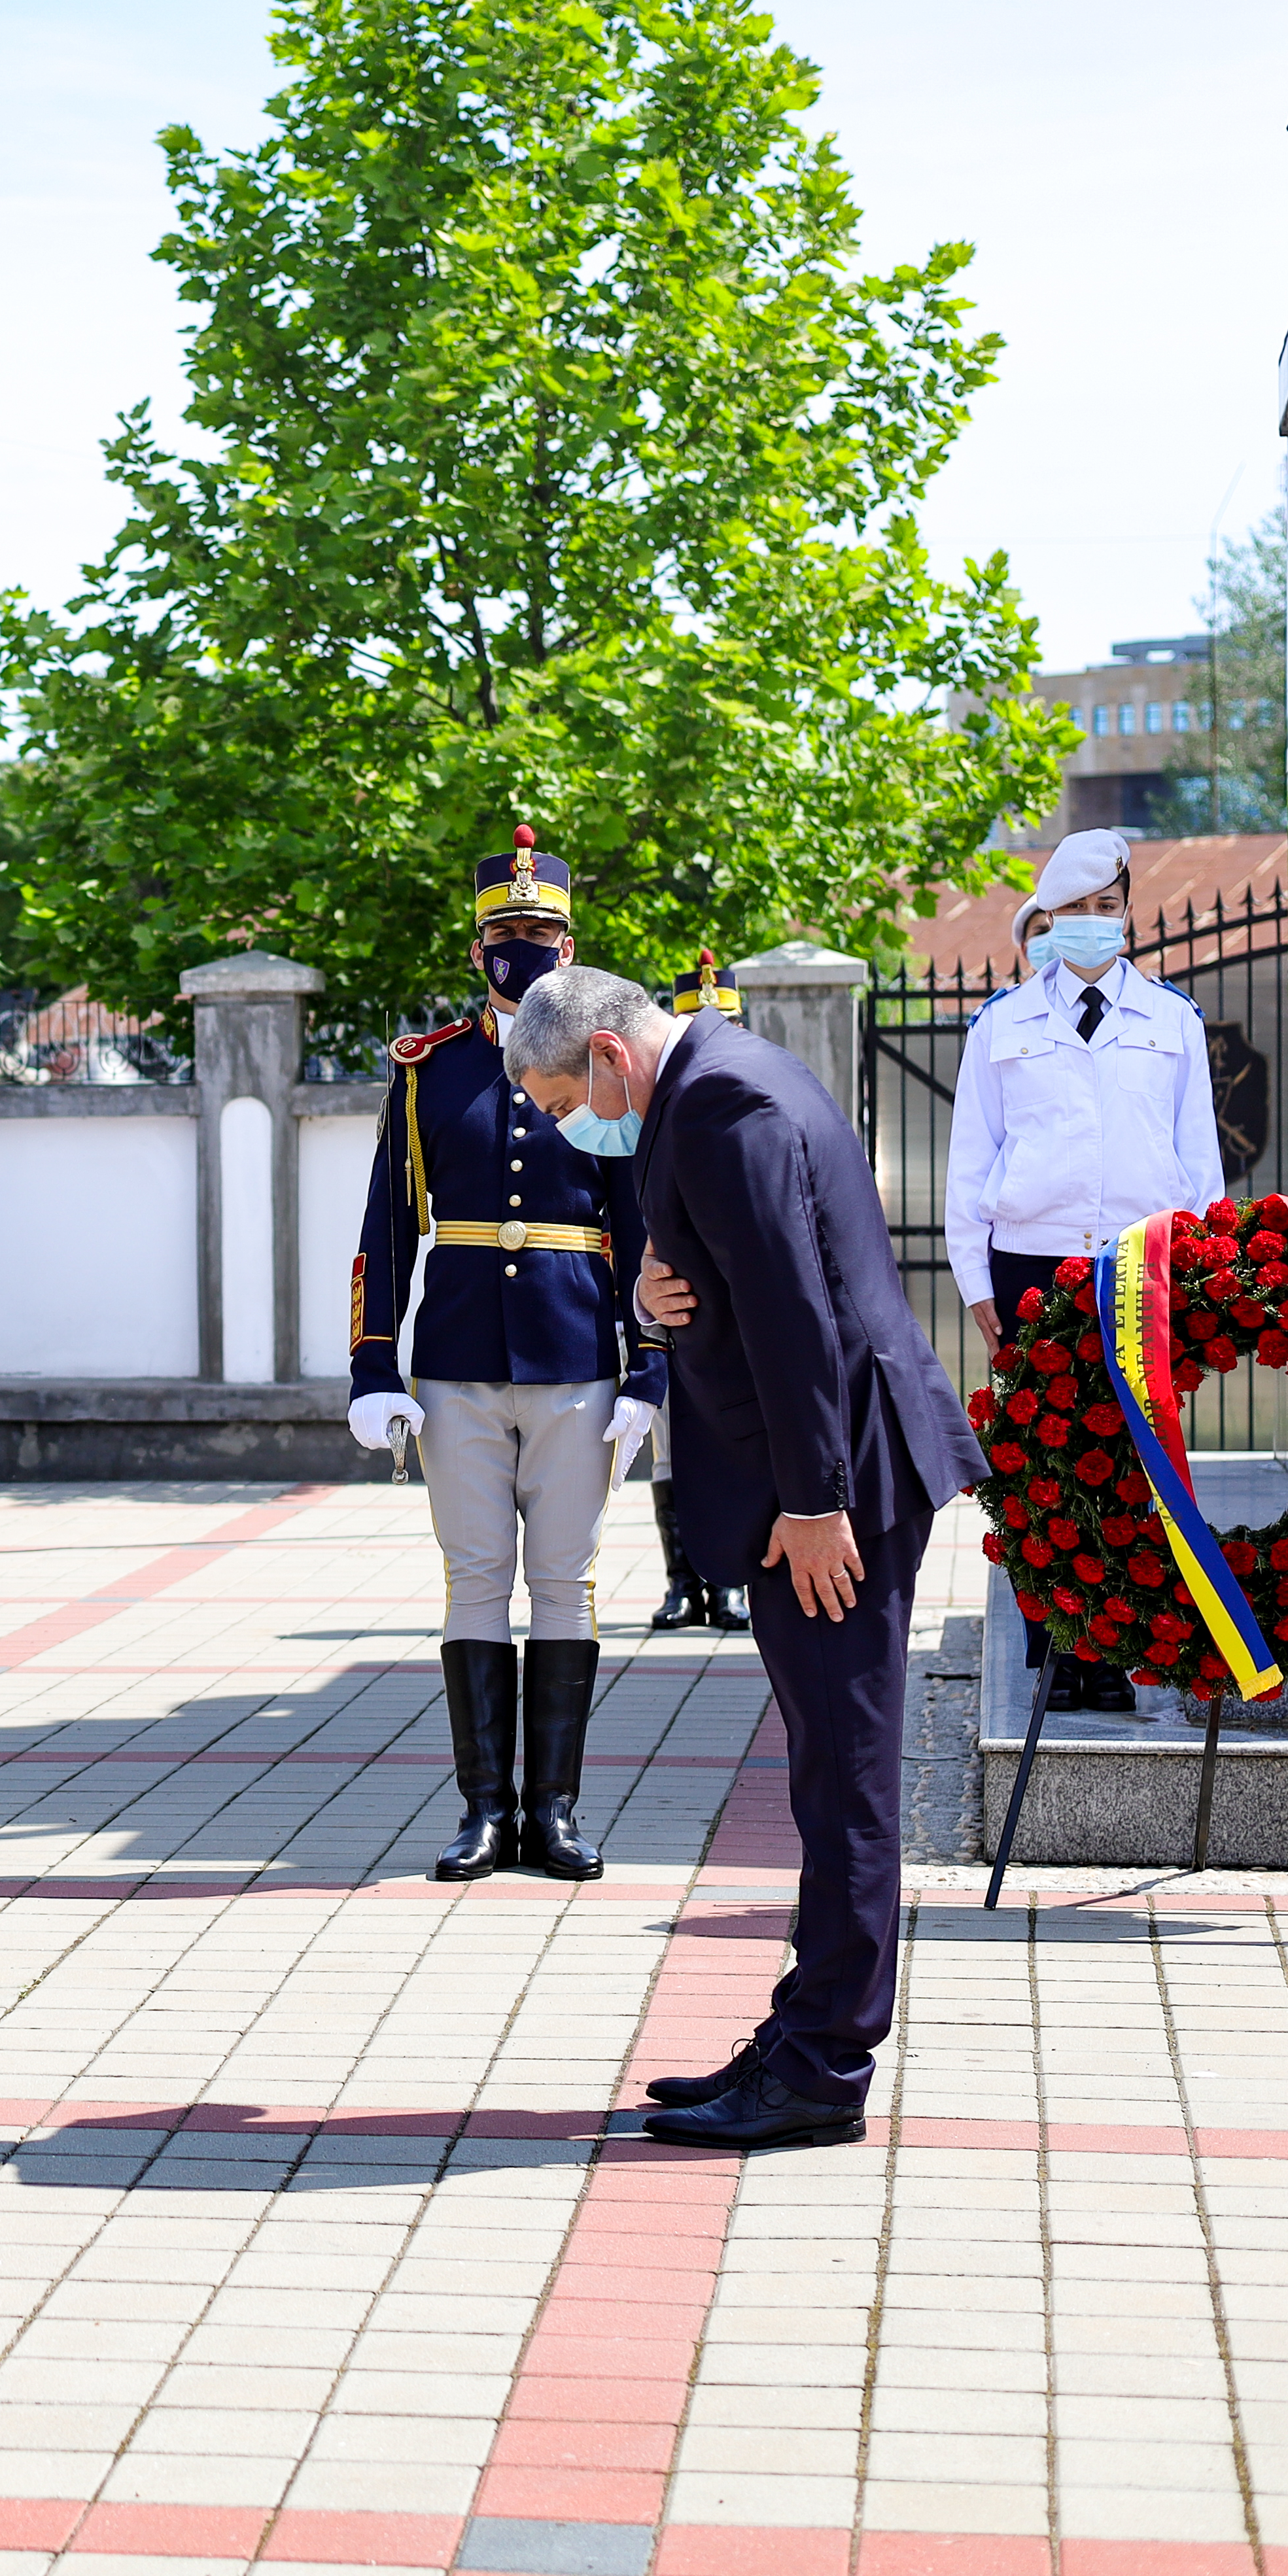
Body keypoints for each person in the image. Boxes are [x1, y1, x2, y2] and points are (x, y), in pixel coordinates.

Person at [510, 966, 985, 2150]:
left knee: (847, 1780)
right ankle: (805, 2023)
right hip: (821, 1481)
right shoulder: (721, 1079)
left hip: (835, 1492)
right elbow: (751, 1272)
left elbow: (795, 1316)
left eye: (566, 1102)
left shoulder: (722, 1106)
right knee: (825, 1771)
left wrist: (817, 1503)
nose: (573, 1129)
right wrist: (658, 1301)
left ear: (612, 1059)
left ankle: (826, 2064)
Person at [341, 833, 659, 1884]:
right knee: (475, 1579)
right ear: (477, 949)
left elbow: (642, 1225)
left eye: (536, 934)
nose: (518, 951)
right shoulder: (432, 1068)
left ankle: (554, 1815)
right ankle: (484, 1810)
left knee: (565, 1583)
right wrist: (373, 1366)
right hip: (459, 1360)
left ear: (570, 946)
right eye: (502, 935)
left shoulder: (601, 1061)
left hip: (575, 1359)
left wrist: (648, 1365)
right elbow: (388, 1224)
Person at [943, 828, 1220, 1716]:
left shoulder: (1173, 1021)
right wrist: (977, 1288)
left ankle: (1118, 1644)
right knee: (1043, 1463)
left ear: (1128, 915)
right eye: (1077, 912)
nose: (1096, 925)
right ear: (1048, 922)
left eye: (1110, 909)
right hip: (1032, 1265)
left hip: (1143, 1262)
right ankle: (1061, 1652)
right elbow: (967, 1166)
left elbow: (1201, 1163)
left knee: (1132, 1457)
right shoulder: (1001, 1024)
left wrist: (1201, 1280)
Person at [644, 954, 750, 1637]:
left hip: (739, 1306)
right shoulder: (649, 1109)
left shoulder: (756, 1095)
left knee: (735, 1443)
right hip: (671, 1302)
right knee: (668, 1448)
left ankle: (730, 1583)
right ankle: (683, 1583)